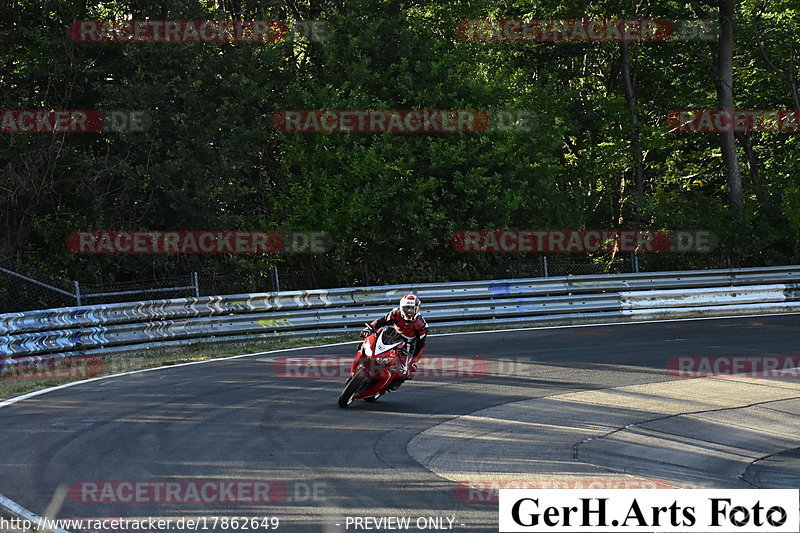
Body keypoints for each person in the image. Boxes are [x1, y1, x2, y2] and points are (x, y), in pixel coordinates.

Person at [360, 294, 428, 391]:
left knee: (405, 371)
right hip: (393, 335)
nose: (409, 311)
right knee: (372, 340)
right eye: (406, 308)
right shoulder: (396, 313)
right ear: (401, 308)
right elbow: (380, 321)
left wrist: (414, 361)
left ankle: (394, 383)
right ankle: (365, 356)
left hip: (408, 343)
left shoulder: (422, 325)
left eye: (412, 309)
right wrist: (369, 328)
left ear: (417, 309)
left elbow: (421, 345)